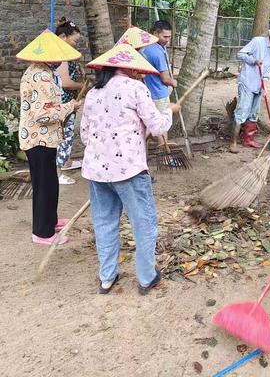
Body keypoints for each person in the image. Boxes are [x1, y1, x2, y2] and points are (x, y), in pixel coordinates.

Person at [80, 44, 180, 295]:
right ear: (125, 67)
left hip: (97, 171)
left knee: (104, 224)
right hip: (129, 171)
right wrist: (169, 111)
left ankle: (106, 277)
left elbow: (84, 135)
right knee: (144, 224)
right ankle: (146, 277)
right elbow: (157, 127)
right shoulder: (136, 89)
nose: (138, 72)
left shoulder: (93, 92)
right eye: (134, 67)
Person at [18, 29, 83, 245]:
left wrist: (66, 107)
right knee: (44, 184)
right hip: (39, 138)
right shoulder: (41, 76)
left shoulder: (41, 71)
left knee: (50, 182)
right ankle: (42, 233)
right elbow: (43, 114)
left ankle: (50, 220)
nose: (60, 60)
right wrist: (70, 106)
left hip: (44, 138)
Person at [230, 26, 270, 153]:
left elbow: (267, 72)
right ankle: (233, 142)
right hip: (247, 81)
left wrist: (265, 87)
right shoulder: (258, 42)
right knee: (242, 111)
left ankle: (248, 140)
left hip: (259, 85)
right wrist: (253, 60)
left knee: (254, 113)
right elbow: (240, 53)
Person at [55, 19, 84, 185]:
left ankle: (65, 163)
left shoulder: (63, 53)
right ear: (64, 36)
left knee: (65, 135)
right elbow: (65, 82)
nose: (75, 44)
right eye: (75, 40)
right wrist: (82, 86)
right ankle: (57, 174)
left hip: (67, 102)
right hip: (64, 103)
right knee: (63, 136)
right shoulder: (61, 55)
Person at [140, 20, 177, 147]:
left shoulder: (144, 48)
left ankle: (144, 142)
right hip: (159, 93)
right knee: (162, 123)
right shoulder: (158, 53)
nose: (167, 40)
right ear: (155, 33)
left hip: (147, 91)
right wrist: (173, 82)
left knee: (150, 121)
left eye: (169, 37)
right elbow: (165, 79)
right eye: (165, 36)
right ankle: (164, 150)